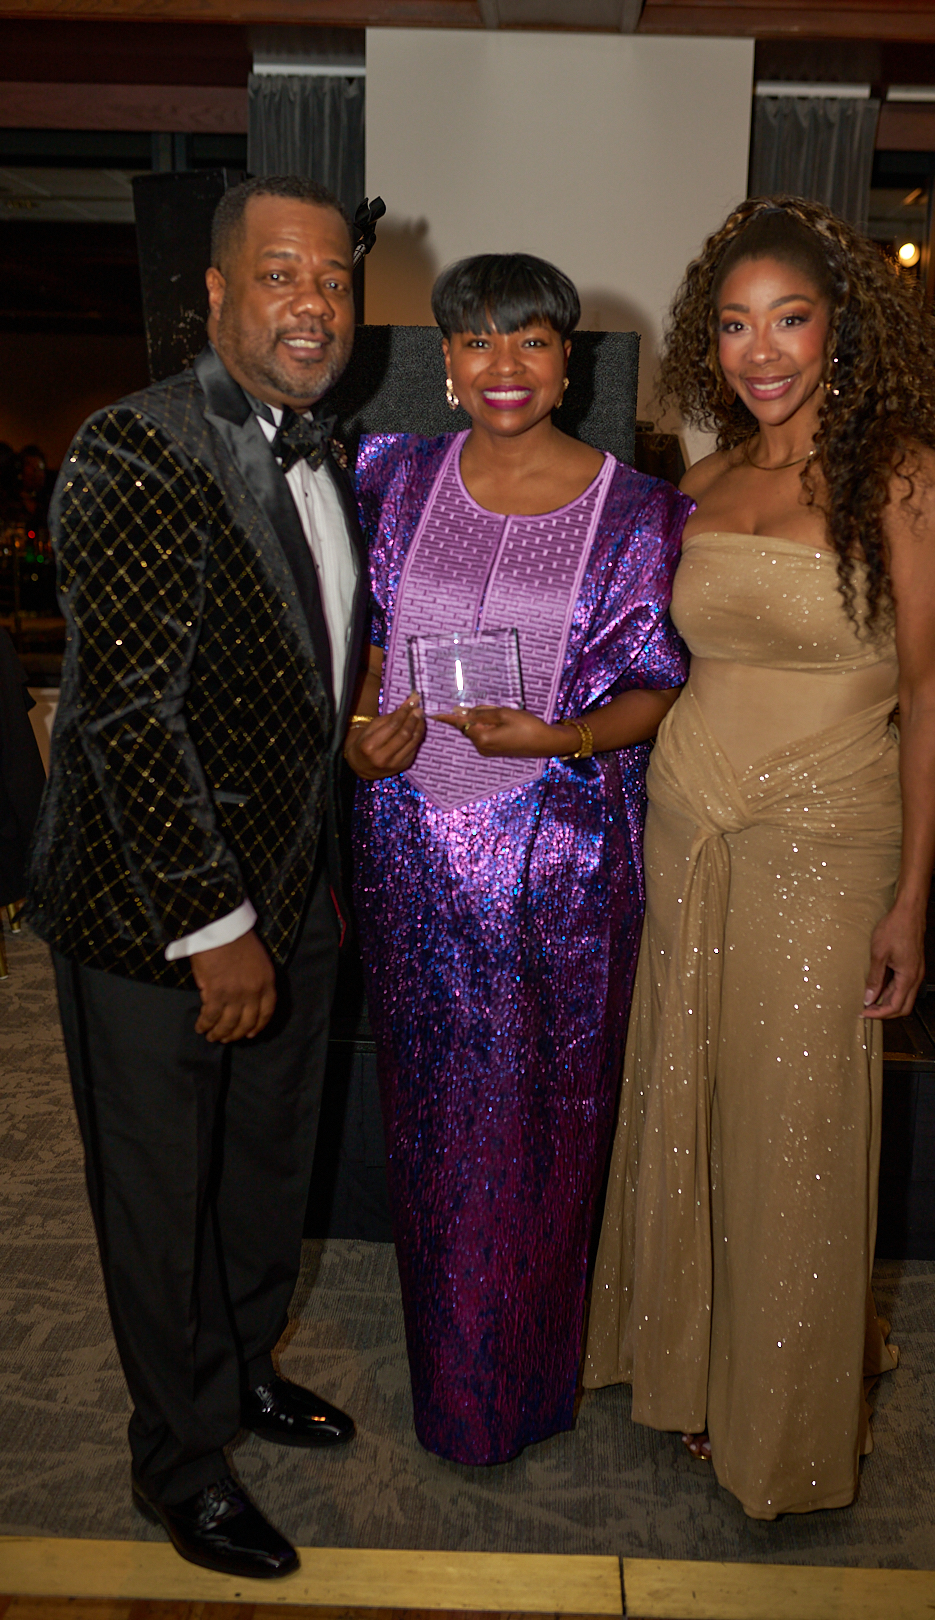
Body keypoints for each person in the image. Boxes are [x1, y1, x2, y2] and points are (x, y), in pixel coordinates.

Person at [584, 196, 935, 1519]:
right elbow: (654, 660)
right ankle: (690, 1363)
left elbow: (932, 698)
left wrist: (912, 897)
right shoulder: (701, 484)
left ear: (839, 330)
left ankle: (781, 1412)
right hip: (689, 819)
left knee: (794, 1119)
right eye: (736, 324)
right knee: (690, 1087)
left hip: (826, 837)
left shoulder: (907, 485)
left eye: (790, 320)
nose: (761, 351)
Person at [25, 175, 368, 1578]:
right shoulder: (138, 445)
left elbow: (280, 668)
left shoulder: (328, 447)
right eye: (282, 275)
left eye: (335, 278)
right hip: (158, 916)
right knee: (163, 1199)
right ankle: (177, 1460)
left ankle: (237, 1374)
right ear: (218, 293)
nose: (314, 303)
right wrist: (215, 925)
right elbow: (126, 716)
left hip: (294, 890)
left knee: (265, 1170)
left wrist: (356, 726)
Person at [345, 253, 692, 1466]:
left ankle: (525, 1385)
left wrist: (560, 738)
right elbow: (363, 647)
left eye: (532, 340)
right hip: (408, 851)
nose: (505, 364)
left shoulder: (637, 509)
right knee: (431, 1124)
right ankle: (450, 1381)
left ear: (567, 363)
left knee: (542, 1125)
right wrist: (358, 734)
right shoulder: (391, 476)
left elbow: (655, 685)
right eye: (479, 340)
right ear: (445, 363)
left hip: (559, 865)